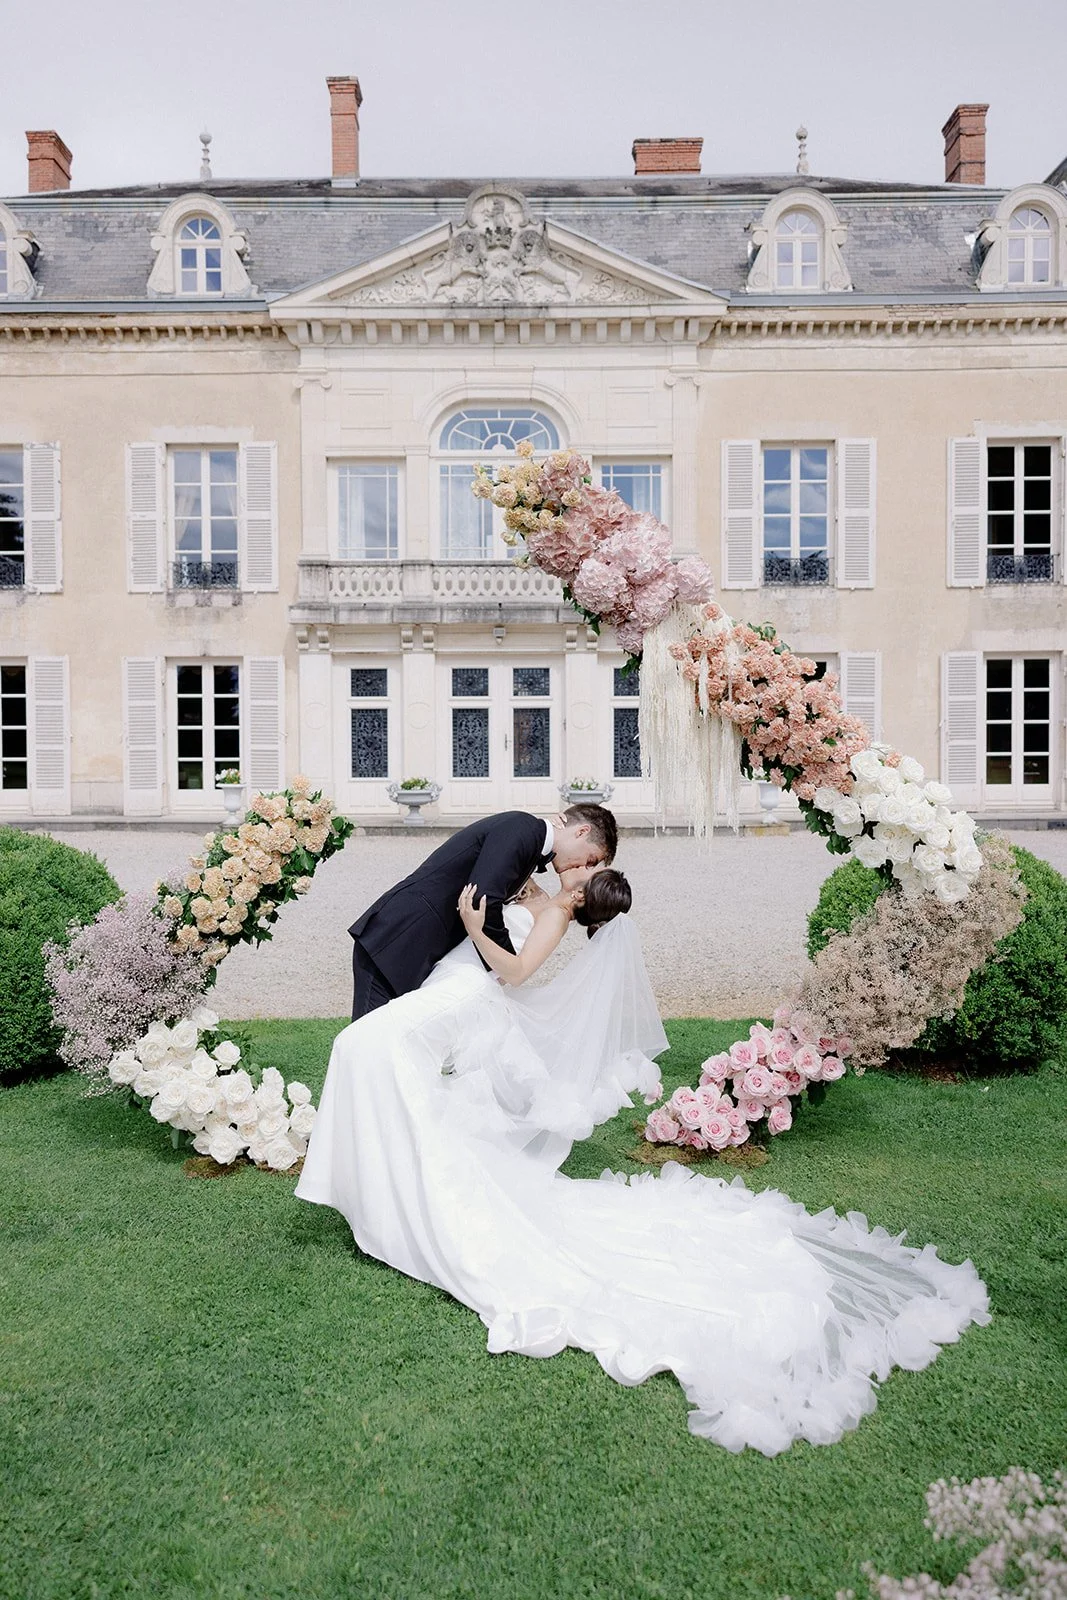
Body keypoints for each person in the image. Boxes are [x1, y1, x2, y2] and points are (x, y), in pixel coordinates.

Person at [297, 861, 989, 1456]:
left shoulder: (554, 920)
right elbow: (537, 893)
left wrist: (477, 926)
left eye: (577, 869)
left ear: (581, 889)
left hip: (487, 989)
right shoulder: (555, 905)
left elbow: (513, 970)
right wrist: (524, 875)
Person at [347, 804, 616, 1020]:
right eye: (591, 858)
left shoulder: (530, 841)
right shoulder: (522, 828)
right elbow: (483, 898)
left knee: (389, 1049)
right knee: (367, 1045)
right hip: (396, 940)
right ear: (581, 832)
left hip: (419, 949)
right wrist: (504, 962)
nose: (584, 866)